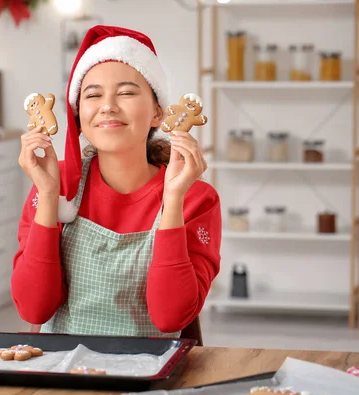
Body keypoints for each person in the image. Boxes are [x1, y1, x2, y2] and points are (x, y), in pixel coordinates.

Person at [12, 25, 221, 337]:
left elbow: (171, 317)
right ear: (79, 113)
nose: (107, 106)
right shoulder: (57, 184)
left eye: (126, 92)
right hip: (61, 374)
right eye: (93, 95)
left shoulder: (196, 197)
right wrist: (48, 193)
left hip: (148, 373)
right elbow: (34, 308)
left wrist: (173, 200)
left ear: (157, 113)